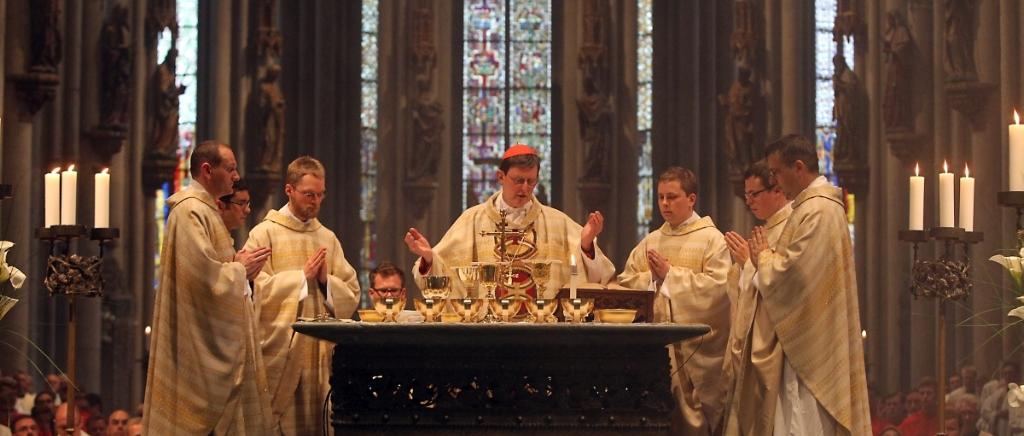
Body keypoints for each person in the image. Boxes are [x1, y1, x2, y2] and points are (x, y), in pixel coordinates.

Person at [142, 141, 275, 435]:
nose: (236, 176)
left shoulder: (207, 212)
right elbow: (202, 279)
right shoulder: (190, 211)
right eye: (230, 168)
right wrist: (240, 269)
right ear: (206, 170)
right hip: (196, 351)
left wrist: (238, 269)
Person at [748, 133, 871, 435]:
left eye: (777, 172)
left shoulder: (817, 210)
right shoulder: (816, 207)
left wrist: (763, 257)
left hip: (811, 346)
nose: (775, 182)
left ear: (799, 167)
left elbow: (793, 274)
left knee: (804, 421)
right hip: (812, 337)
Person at [404, 144, 615, 299]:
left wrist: (586, 245)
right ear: (500, 177)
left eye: (530, 181)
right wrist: (429, 258)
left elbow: (598, 277)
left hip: (543, 334)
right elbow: (443, 272)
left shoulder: (557, 222)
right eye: (518, 180)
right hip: (487, 334)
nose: (524, 188)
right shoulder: (472, 220)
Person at [244, 156, 361, 435]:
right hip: (281, 356)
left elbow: (352, 291)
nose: (316, 202)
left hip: (319, 359)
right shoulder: (264, 234)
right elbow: (252, 289)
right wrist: (300, 278)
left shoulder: (327, 238)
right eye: (309, 195)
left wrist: (325, 281)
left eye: (320, 195)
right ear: (289, 190)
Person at [618, 166, 731, 435]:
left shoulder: (712, 240)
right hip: (656, 353)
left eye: (672, 197)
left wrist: (670, 276)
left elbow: (720, 290)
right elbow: (625, 283)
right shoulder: (651, 241)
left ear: (691, 199)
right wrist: (652, 281)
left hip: (696, 354)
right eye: (660, 198)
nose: (665, 204)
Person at [721, 161, 792, 435]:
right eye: (746, 194)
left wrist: (748, 265)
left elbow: (784, 284)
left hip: (778, 345)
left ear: (777, 190)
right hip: (756, 339)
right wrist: (742, 268)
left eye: (754, 194)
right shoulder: (768, 228)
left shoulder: (790, 227)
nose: (748, 201)